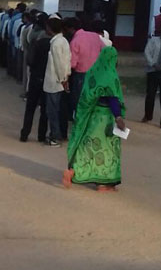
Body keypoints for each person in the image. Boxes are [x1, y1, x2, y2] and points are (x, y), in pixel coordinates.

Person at [63, 46, 127, 192]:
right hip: (106, 118)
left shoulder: (92, 72)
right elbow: (113, 98)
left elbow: (87, 95)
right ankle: (104, 183)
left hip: (92, 116)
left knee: (88, 147)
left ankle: (73, 171)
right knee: (107, 149)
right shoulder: (111, 75)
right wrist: (118, 116)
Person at [20, 13, 51, 143]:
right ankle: (41, 136)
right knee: (44, 109)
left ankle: (24, 134)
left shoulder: (34, 37)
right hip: (48, 77)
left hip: (35, 76)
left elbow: (30, 60)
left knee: (30, 107)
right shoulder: (53, 43)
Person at [67, 17, 104, 121]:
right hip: (96, 73)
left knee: (79, 100)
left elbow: (73, 64)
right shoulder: (95, 37)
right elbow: (105, 51)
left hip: (81, 74)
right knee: (92, 98)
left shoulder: (75, 41)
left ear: (71, 29)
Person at [43, 16, 70, 147]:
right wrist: (66, 76)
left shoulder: (56, 43)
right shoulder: (63, 40)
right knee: (56, 109)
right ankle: (56, 134)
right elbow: (67, 60)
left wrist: (62, 79)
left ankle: (55, 136)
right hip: (60, 80)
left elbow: (59, 63)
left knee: (52, 111)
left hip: (55, 81)